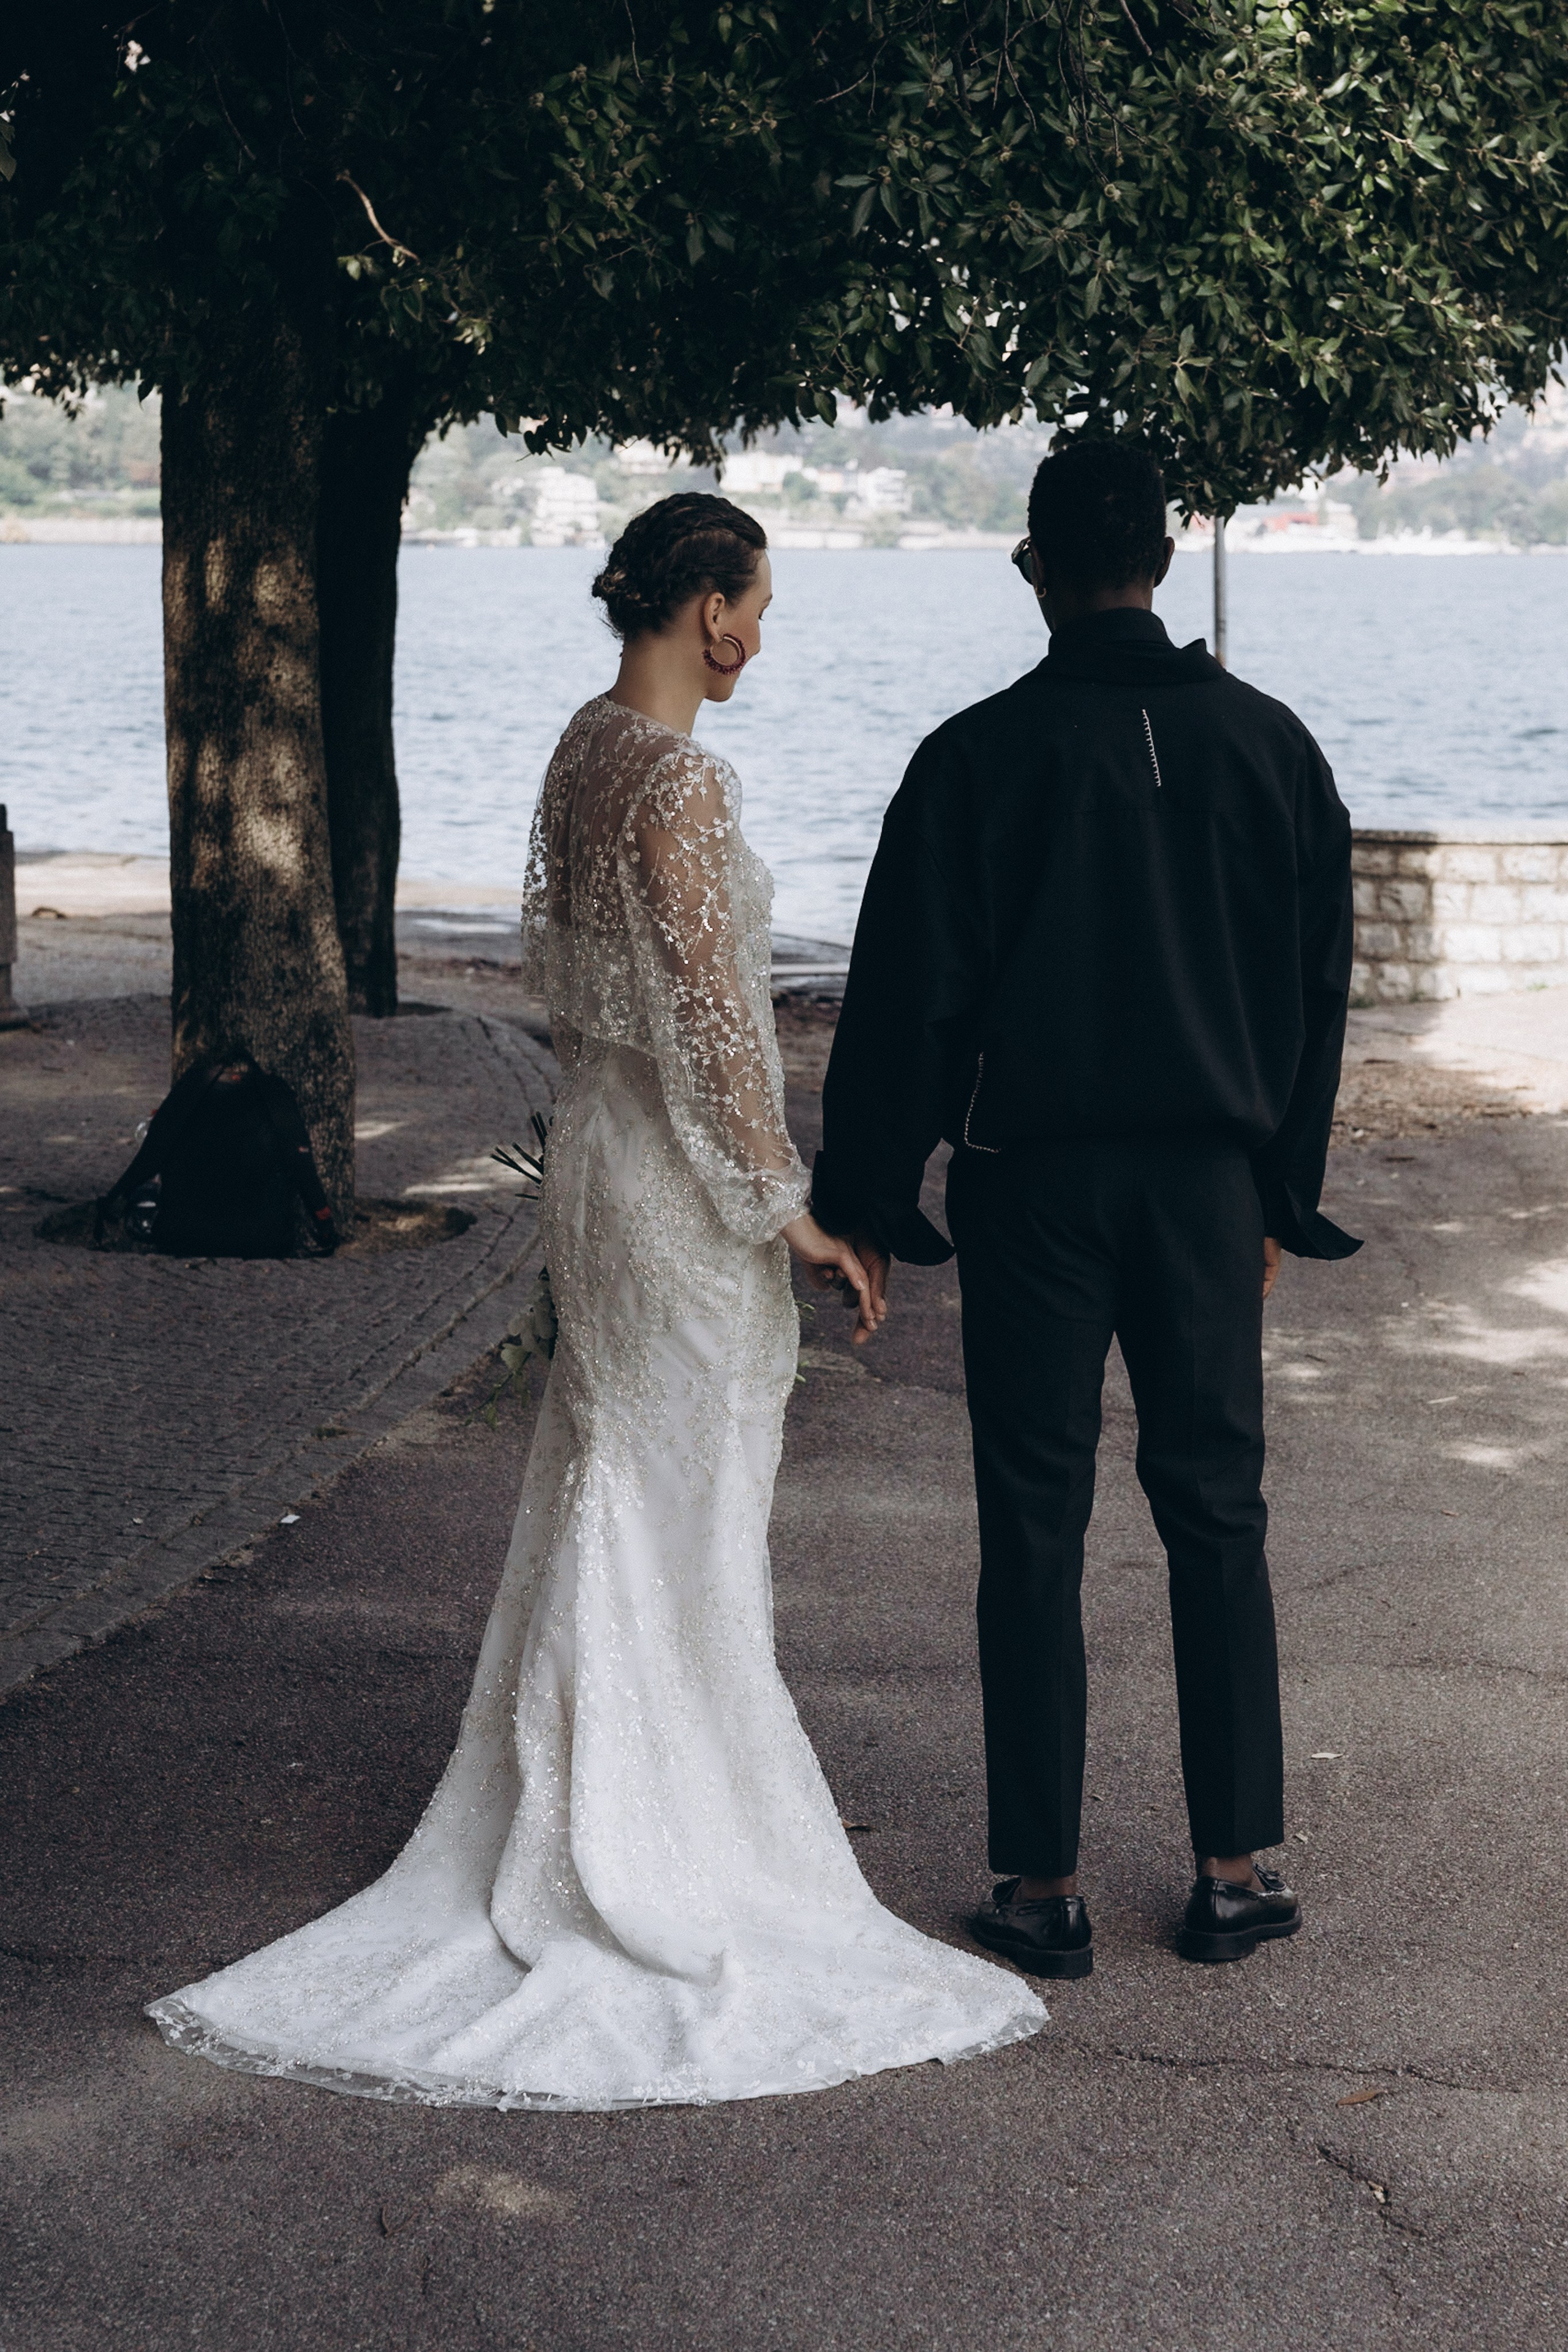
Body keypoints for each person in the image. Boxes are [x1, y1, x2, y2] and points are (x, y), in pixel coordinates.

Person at [146, 492, 1045, 2108]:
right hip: (680, 1203)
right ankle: (663, 1842)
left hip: (596, 1175)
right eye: (758, 607)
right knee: (680, 1508)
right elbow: (716, 1030)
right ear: (709, 608)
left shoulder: (580, 751)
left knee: (610, 1486)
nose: (762, 640)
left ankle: (568, 1816)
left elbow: (597, 999)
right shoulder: (683, 782)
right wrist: (797, 1216)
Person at [813, 440, 1360, 1978]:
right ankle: (1233, 1871)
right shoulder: (1273, 748)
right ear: (1166, 561)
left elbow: (905, 1004)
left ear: (1031, 564)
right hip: (1202, 1187)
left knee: (1031, 1525)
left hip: (1031, 1189)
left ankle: (1042, 1886)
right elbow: (1317, 997)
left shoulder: (971, 759)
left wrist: (867, 1193)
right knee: (1216, 1516)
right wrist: (1280, 1191)